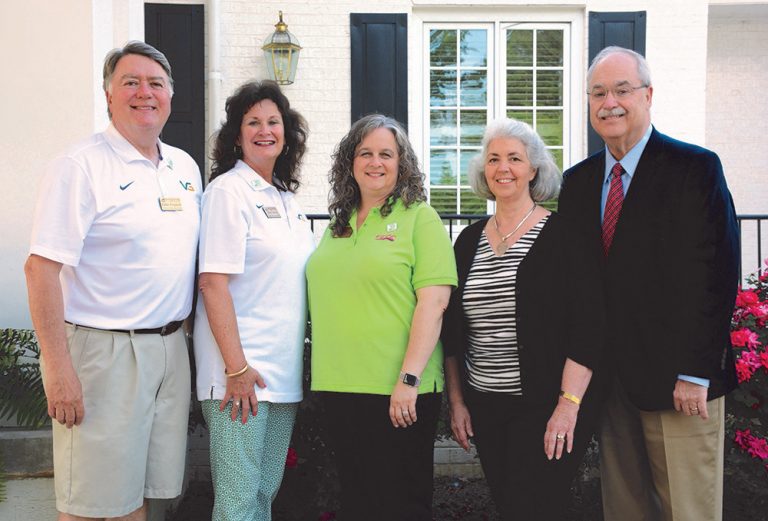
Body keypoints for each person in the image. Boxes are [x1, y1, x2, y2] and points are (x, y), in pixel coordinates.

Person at [558, 46, 740, 521]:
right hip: (612, 384)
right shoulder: (577, 184)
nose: (609, 102)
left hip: (680, 383)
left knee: (689, 509)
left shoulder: (694, 169)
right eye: (598, 92)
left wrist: (695, 372)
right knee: (625, 509)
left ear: (648, 95)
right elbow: (581, 285)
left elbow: (716, 275)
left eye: (622, 89)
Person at [24, 41, 200, 521]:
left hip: (169, 352)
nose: (145, 93)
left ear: (170, 96)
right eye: (131, 82)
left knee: (143, 497)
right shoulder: (79, 165)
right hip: (103, 354)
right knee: (91, 504)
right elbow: (41, 269)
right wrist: (58, 369)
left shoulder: (184, 168)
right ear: (108, 94)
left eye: (156, 83)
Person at [441, 118, 605, 520]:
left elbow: (589, 325)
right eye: (493, 159)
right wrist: (458, 402)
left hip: (548, 404)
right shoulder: (467, 240)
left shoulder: (565, 235)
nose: (503, 168)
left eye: (514, 158)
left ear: (534, 169)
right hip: (486, 404)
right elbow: (454, 331)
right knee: (509, 504)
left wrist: (568, 406)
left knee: (540, 505)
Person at [305, 114, 457, 521]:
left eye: (386, 154)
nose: (375, 162)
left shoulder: (419, 218)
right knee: (357, 502)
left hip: (400, 392)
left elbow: (434, 303)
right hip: (339, 386)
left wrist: (408, 379)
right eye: (365, 153)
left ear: (402, 163)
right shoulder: (337, 225)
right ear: (349, 162)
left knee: (400, 505)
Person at [192, 80, 312, 521]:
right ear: (237, 135)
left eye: (274, 122)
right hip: (239, 376)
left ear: (287, 132)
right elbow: (212, 283)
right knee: (239, 501)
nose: (265, 130)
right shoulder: (228, 191)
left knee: (263, 494)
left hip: (280, 377)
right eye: (253, 122)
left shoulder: (286, 198)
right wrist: (237, 369)